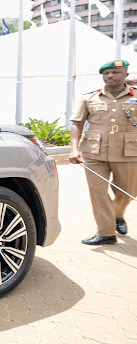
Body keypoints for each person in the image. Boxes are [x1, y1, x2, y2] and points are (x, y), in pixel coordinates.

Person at [70, 59, 137, 244]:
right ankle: (106, 232)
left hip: (129, 151)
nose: (109, 76)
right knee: (97, 192)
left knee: (128, 192)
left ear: (126, 74)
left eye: (115, 72)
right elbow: (77, 123)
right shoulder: (89, 97)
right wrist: (74, 148)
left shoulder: (135, 95)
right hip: (94, 152)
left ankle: (117, 214)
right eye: (106, 73)